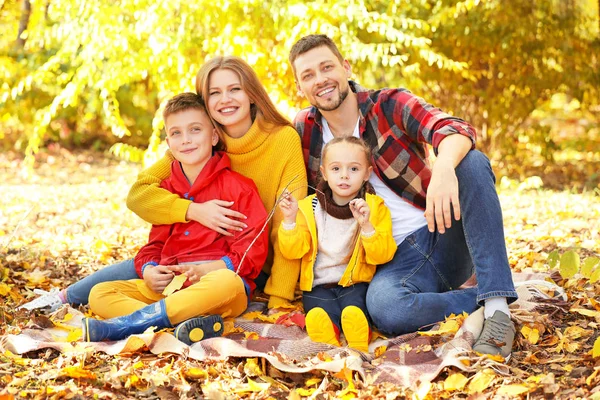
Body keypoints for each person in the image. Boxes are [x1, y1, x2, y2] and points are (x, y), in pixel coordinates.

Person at [288, 34, 518, 359]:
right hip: (385, 261)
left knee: (471, 162)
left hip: (439, 230)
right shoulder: (304, 130)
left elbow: (454, 128)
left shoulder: (388, 104)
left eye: (327, 67)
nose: (320, 80)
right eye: (308, 75)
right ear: (300, 86)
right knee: (386, 309)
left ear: (345, 67)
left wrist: (443, 167)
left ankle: (497, 311)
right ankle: (482, 296)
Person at [83, 92, 269, 344]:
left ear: (214, 136)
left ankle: (133, 324)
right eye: (176, 133)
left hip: (214, 286)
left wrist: (205, 270)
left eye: (195, 130)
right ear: (169, 143)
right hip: (170, 287)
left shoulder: (239, 188)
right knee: (100, 292)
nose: (186, 140)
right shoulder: (167, 192)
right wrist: (149, 270)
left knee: (228, 282)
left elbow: (251, 252)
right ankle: (181, 323)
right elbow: (154, 246)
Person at [278, 137, 395, 352]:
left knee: (354, 310)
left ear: (367, 174)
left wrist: (366, 225)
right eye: (335, 168)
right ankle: (328, 337)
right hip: (318, 285)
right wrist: (289, 220)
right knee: (320, 313)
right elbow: (294, 251)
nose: (344, 175)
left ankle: (359, 337)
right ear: (324, 173)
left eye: (353, 169)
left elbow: (383, 255)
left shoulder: (375, 208)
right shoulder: (308, 208)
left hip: (355, 283)